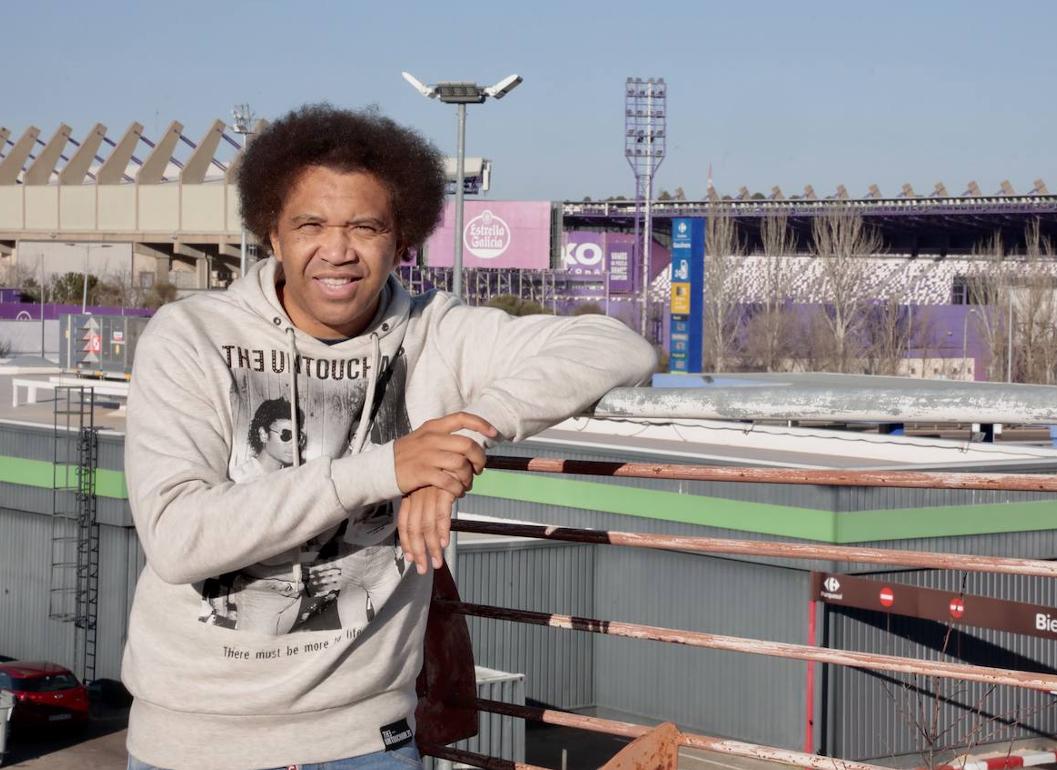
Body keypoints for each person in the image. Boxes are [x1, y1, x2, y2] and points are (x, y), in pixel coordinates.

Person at [122, 104, 657, 770]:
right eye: (310, 224)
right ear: (273, 234)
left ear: (401, 240)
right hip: (196, 744)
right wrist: (392, 467)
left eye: (364, 227)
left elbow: (617, 346)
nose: (337, 249)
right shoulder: (191, 336)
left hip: (365, 741)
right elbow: (177, 536)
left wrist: (458, 438)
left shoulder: (437, 331)